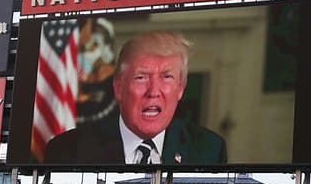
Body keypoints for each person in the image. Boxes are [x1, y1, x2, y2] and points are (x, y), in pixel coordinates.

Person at [45, 30, 227, 166]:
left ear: (180, 88)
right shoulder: (68, 150)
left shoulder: (209, 150)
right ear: (119, 88)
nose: (154, 91)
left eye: (166, 77)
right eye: (141, 77)